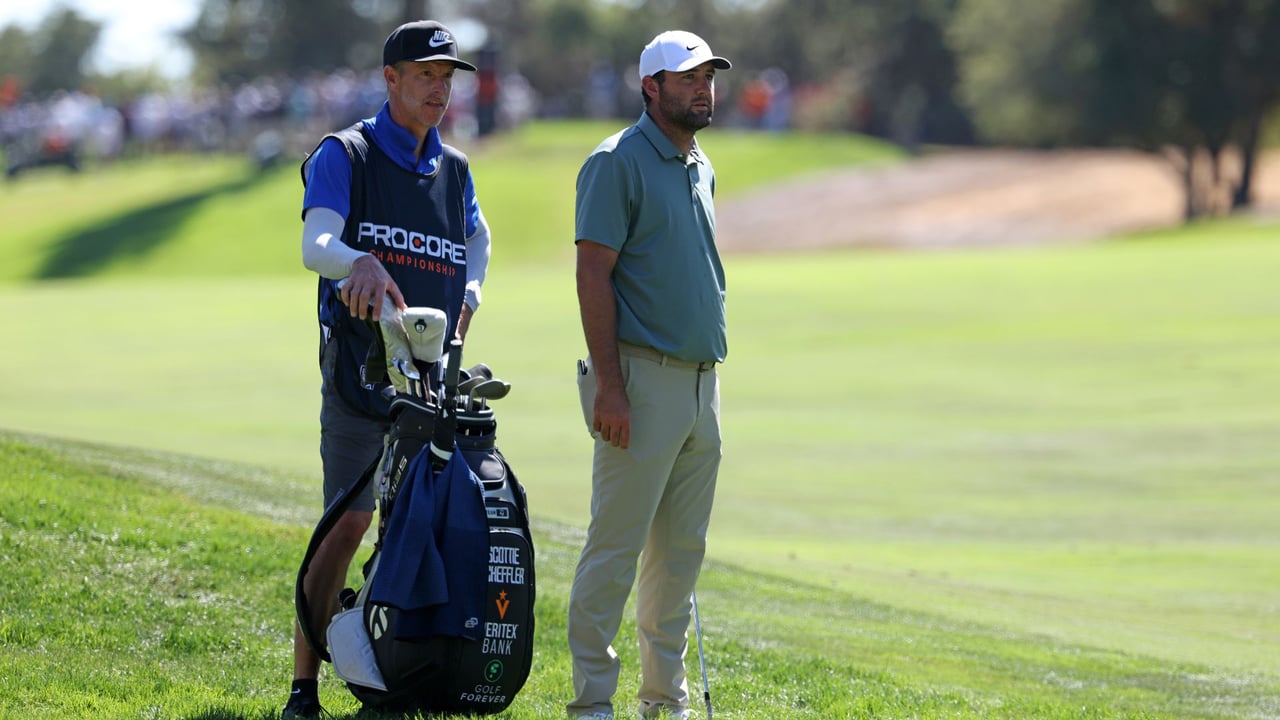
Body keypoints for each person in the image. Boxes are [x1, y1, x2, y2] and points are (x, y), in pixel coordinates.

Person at [283, 20, 491, 720]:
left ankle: (392, 676)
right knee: (345, 527)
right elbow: (317, 244)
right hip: (359, 374)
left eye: (448, 76)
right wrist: (357, 261)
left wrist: (469, 297)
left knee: (412, 531)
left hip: (426, 384)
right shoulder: (348, 152)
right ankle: (303, 686)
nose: (440, 88)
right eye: (425, 74)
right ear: (391, 79)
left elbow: (478, 239)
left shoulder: (454, 169)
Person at [568, 30, 732, 720]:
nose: (704, 87)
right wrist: (610, 386)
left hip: (702, 386)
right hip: (638, 380)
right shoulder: (616, 162)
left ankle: (665, 703)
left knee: (680, 558)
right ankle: (592, 705)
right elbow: (592, 273)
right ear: (651, 88)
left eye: (709, 77)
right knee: (615, 550)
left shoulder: (702, 165)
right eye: (688, 77)